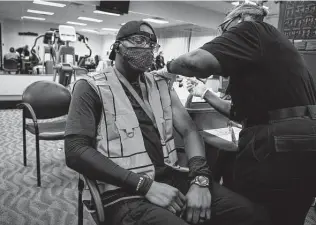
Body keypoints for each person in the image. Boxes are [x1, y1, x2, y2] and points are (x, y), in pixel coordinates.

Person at [64, 20, 270, 225]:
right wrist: (144, 186)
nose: (146, 47)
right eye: (139, 40)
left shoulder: (161, 85)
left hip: (171, 177)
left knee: (252, 215)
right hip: (122, 192)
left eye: (151, 44)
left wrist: (200, 179)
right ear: (117, 46)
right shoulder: (91, 87)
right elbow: (75, 151)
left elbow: (189, 131)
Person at [160, 3, 316, 225]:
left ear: (239, 18)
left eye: (225, 29)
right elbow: (239, 113)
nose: (224, 36)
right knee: (288, 216)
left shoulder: (251, 29)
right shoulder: (275, 51)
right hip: (304, 143)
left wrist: (166, 68)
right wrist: (205, 93)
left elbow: (194, 61)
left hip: (275, 146)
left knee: (249, 213)